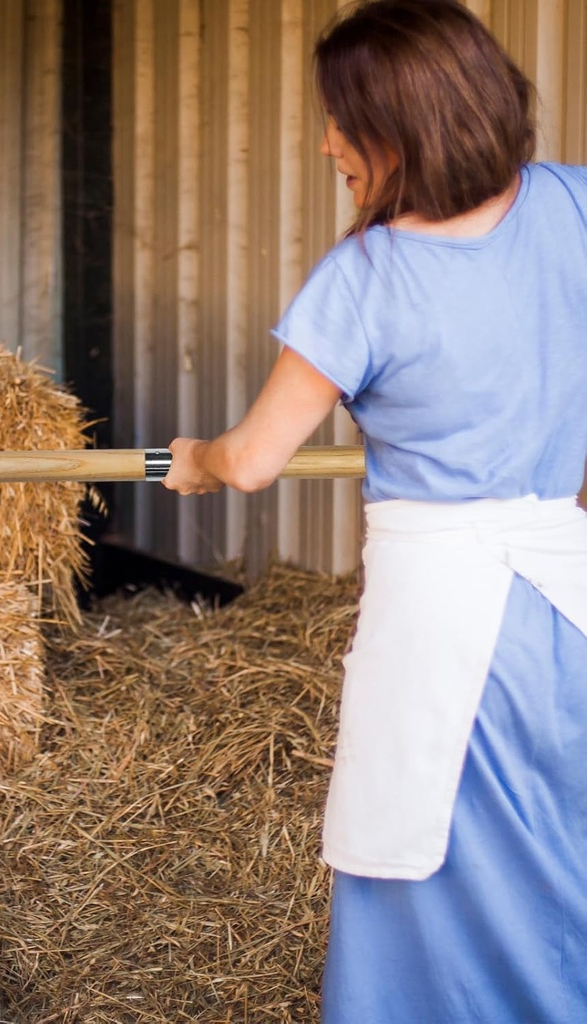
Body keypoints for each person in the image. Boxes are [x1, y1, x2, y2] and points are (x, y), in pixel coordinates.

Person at [162, 1, 587, 1021]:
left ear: (399, 127)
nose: (324, 143)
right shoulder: (572, 207)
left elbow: (258, 459)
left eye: (340, 120)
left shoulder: (362, 279)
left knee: (421, 863)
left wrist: (197, 459)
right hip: (566, 606)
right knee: (559, 855)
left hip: (444, 622)